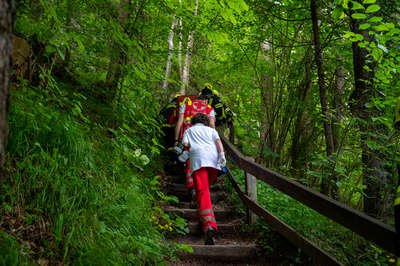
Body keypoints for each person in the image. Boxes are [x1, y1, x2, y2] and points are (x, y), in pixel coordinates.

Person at [181, 113, 226, 245]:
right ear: (206, 122)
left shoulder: (189, 130)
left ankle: (209, 225)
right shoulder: (212, 130)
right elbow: (218, 142)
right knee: (205, 189)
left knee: (203, 191)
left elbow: (185, 144)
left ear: (193, 122)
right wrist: (222, 156)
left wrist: (188, 149)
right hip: (214, 160)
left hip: (199, 160)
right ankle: (207, 221)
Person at [174, 94, 215, 204]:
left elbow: (179, 122)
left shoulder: (186, 105)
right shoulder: (210, 109)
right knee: (200, 167)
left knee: (188, 162)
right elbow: (212, 125)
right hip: (205, 143)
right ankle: (198, 190)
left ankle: (192, 186)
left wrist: (176, 140)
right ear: (205, 100)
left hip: (187, 139)